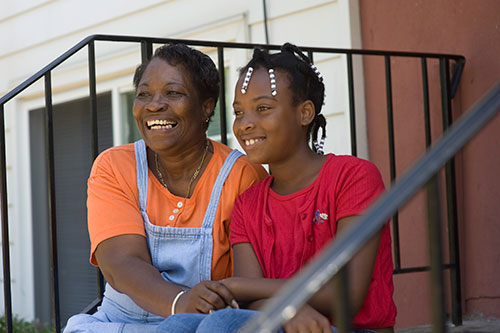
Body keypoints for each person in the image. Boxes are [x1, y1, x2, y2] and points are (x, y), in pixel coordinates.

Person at [157, 43, 396, 332]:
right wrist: (287, 309)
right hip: (280, 322)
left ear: (304, 113)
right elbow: (249, 300)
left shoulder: (353, 177)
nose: (245, 124)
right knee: (176, 326)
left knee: (223, 322)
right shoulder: (248, 203)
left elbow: (345, 294)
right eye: (238, 112)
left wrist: (239, 286)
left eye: (262, 108)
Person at [63, 44, 268, 332]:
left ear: (206, 106)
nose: (154, 105)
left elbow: (250, 282)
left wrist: (187, 311)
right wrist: (180, 300)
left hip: (200, 324)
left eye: (173, 93)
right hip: (117, 321)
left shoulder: (242, 176)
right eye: (144, 94)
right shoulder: (115, 166)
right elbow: (120, 262)